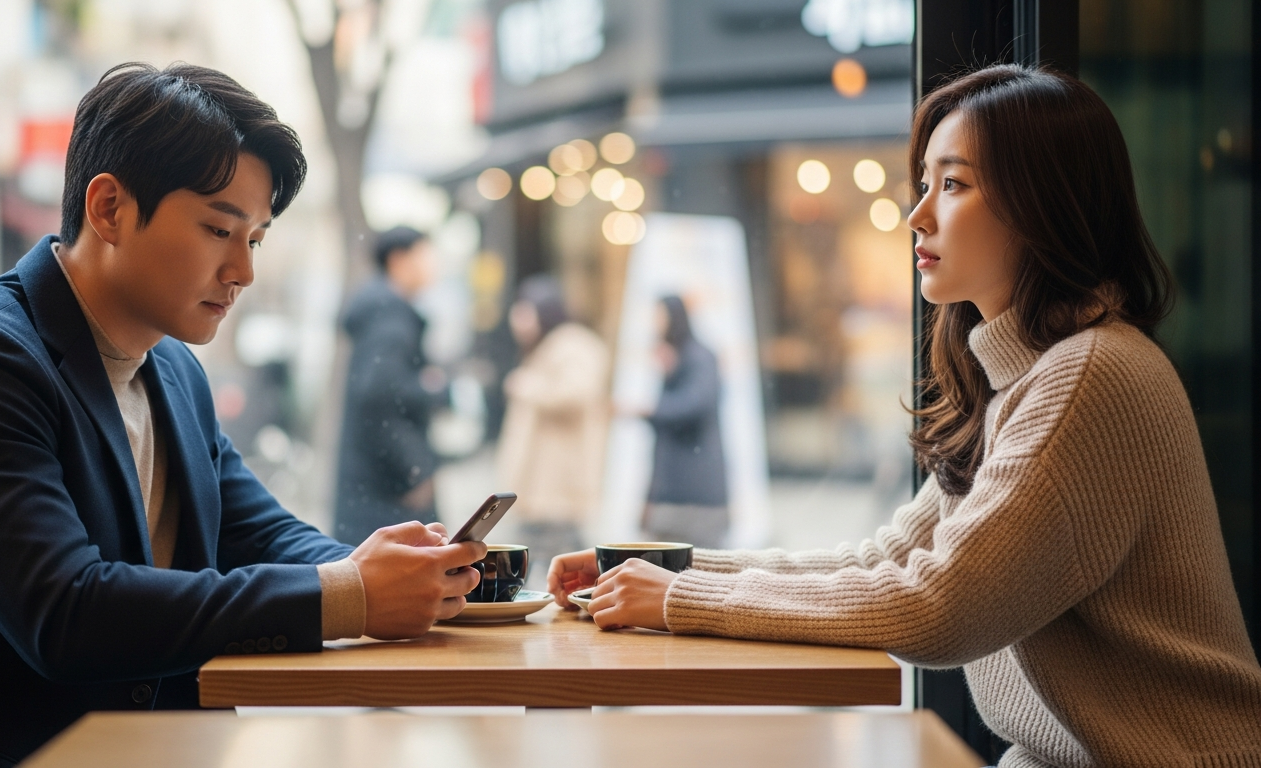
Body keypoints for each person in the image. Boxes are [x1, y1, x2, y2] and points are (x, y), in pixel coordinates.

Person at [549, 65, 1261, 765]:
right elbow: (883, 561)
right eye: (923, 185)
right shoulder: (1026, 376)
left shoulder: (1091, 374)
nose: (917, 215)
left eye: (952, 185)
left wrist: (681, 598)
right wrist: (659, 569)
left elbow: (938, 607)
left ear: (1044, 202)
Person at [0, 63, 483, 768]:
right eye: (219, 229)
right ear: (110, 209)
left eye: (256, 239)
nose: (243, 271)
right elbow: (65, 612)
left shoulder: (173, 366)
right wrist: (348, 594)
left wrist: (395, 572)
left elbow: (253, 531)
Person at [334, 226, 446, 546]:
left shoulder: (382, 311)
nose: (433, 265)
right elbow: (379, 395)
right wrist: (415, 470)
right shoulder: (390, 318)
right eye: (425, 256)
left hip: (370, 482)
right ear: (398, 260)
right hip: (387, 488)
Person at [496, 276, 609, 570]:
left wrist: (529, 387)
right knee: (550, 560)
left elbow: (578, 393)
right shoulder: (550, 345)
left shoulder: (572, 343)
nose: (517, 320)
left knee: (559, 561)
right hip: (543, 485)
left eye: (525, 310)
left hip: (557, 484)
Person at [632, 295, 728, 548]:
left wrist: (650, 410)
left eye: (660, 316)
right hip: (670, 491)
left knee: (702, 570)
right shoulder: (674, 357)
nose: (656, 324)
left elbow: (694, 405)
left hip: (697, 493)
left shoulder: (699, 357)